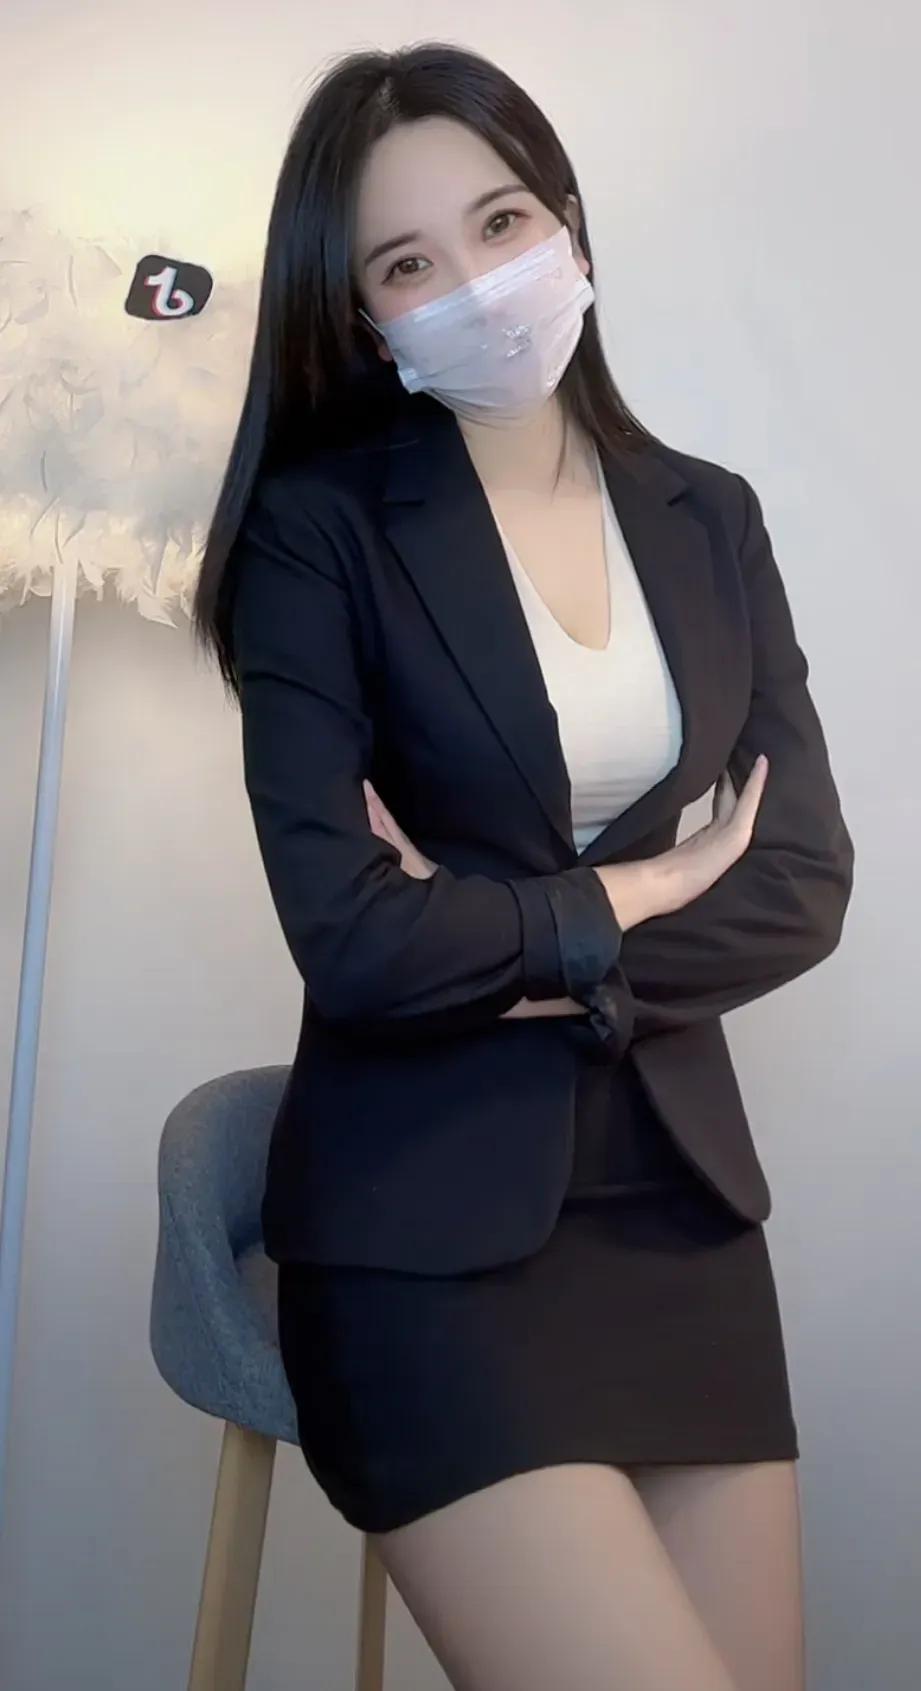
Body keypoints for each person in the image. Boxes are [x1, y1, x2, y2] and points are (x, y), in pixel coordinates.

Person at [192, 40, 853, 1691]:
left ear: (564, 219)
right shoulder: (316, 537)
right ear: (363, 318)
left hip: (679, 1216)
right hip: (421, 1232)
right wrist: (627, 895)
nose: (476, 285)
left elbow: (797, 883)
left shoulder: (710, 517)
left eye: (498, 224)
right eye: (408, 264)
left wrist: (507, 948)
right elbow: (353, 947)